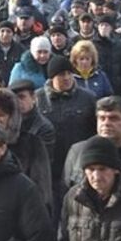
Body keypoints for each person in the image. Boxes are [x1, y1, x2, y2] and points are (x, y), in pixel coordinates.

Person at [36, 54, 98, 207]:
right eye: (61, 74)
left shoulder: (88, 98)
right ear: (52, 78)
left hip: (78, 165)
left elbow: (94, 131)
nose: (67, 78)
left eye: (69, 73)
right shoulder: (38, 99)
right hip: (48, 166)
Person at [0, 88, 53, 210]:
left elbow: (41, 187)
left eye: (2, 115)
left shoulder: (31, 144)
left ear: (12, 117)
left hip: (22, 210)